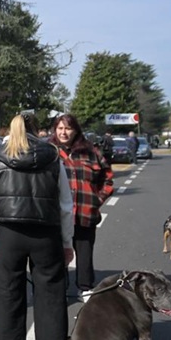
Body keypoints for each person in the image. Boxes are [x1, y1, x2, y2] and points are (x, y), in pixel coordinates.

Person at [0, 113, 75, 340]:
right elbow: (65, 206)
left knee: (8, 294)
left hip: (9, 233)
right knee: (52, 298)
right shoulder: (52, 156)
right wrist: (67, 242)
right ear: (38, 130)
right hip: (46, 233)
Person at [50, 114, 114, 301]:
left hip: (85, 212)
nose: (63, 132)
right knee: (57, 252)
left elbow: (108, 179)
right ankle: (59, 286)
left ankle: (85, 286)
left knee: (84, 252)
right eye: (60, 128)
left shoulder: (91, 152)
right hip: (58, 214)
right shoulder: (49, 151)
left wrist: (96, 200)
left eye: (67, 128)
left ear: (76, 130)